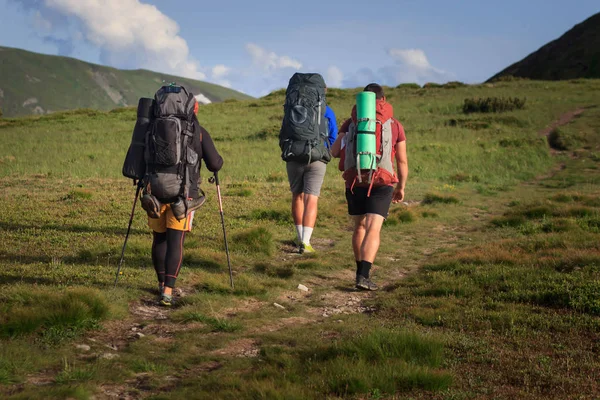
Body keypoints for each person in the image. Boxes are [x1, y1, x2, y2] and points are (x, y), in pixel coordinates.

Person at [146, 99, 223, 306]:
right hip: (184, 194)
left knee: (159, 239)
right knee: (176, 241)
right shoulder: (198, 131)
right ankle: (169, 291)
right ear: (193, 109)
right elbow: (215, 163)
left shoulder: (152, 127)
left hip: (154, 191)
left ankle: (161, 284)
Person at [331, 83, 407, 290]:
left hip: (355, 180)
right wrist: (401, 187)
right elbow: (402, 161)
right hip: (382, 181)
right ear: (383, 100)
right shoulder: (394, 124)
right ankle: (364, 275)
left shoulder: (350, 123)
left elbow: (334, 152)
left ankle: (359, 273)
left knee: (359, 227)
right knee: (374, 227)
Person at [286, 93, 337, 253]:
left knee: (297, 196)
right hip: (317, 158)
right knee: (311, 199)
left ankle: (300, 237)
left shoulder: (292, 109)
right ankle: (306, 243)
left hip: (294, 156)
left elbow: (284, 132)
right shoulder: (327, 110)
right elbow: (333, 136)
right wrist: (323, 150)